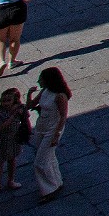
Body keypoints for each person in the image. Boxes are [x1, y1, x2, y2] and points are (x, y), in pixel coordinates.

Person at [25, 67, 69, 203]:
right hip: (41, 127)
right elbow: (30, 105)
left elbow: (63, 116)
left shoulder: (60, 96)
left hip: (52, 129)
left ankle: (49, 189)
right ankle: (57, 181)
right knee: (49, 156)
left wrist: (56, 134)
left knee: (40, 161)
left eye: (41, 79)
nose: (39, 81)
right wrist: (29, 94)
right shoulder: (45, 91)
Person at [0, 86, 29, 197]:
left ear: (14, 100)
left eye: (8, 100)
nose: (5, 103)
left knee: (12, 159)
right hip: (1, 139)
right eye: (3, 101)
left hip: (13, 138)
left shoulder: (19, 108)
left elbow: (26, 117)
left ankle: (11, 180)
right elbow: (1, 127)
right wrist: (13, 116)